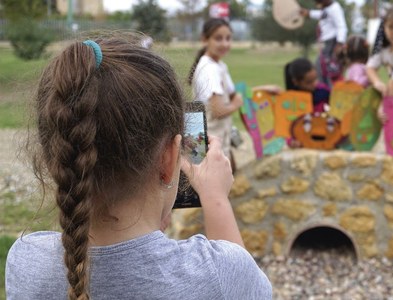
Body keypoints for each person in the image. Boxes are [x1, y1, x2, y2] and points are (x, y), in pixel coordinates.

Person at [5, 36, 272, 299]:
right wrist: (215, 200)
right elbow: (241, 281)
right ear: (169, 160)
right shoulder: (217, 274)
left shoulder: (25, 260)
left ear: (57, 159)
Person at [188, 18, 243, 172]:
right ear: (205, 40)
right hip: (208, 146)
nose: (225, 43)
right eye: (218, 38)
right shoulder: (209, 69)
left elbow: (233, 93)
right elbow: (218, 111)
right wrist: (236, 104)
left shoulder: (219, 65)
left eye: (228, 38)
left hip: (214, 142)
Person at [299, 0, 348, 87]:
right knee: (320, 68)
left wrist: (340, 44)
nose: (318, 4)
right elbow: (322, 15)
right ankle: (325, 89)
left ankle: (327, 90)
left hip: (332, 43)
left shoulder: (335, 8)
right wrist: (309, 13)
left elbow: (341, 26)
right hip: (327, 43)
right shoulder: (327, 9)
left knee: (323, 69)